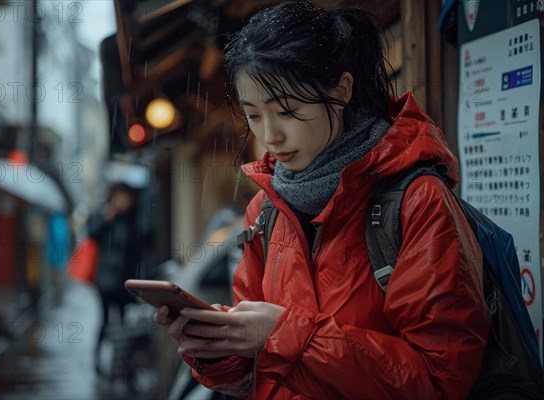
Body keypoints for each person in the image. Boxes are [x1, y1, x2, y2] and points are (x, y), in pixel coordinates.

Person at [155, 1, 490, 399]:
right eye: (254, 115)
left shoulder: (416, 201)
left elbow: (439, 382)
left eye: (287, 110)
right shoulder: (265, 211)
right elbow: (255, 378)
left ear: (342, 89)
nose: (270, 136)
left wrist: (285, 336)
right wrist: (215, 350)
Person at [88, 182, 142, 375]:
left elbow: (138, 252)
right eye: (120, 197)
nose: (123, 201)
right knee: (104, 320)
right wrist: (106, 218)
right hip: (104, 280)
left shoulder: (133, 220)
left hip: (125, 282)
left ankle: (119, 363)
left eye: (126, 197)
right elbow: (91, 233)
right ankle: (97, 360)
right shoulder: (106, 215)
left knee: (122, 322)